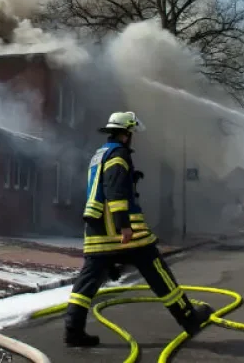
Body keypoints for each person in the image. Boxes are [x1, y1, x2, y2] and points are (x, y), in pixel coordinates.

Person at [63, 111, 213, 347]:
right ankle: (189, 318)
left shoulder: (99, 155)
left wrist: (131, 178)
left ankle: (73, 329)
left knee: (87, 281)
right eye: (131, 133)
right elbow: (114, 191)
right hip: (122, 230)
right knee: (158, 271)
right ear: (125, 134)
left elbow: (104, 186)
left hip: (96, 229)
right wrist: (124, 226)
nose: (132, 138)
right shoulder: (120, 154)